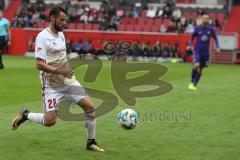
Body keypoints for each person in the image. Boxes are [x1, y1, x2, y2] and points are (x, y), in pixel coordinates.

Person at [11, 6, 104, 152]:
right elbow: (39, 64)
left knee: (90, 107)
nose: (64, 23)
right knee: (50, 121)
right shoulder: (42, 37)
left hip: (68, 80)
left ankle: (91, 142)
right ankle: (26, 115)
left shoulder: (61, 35)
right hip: (51, 84)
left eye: (66, 20)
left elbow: (61, 57)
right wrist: (61, 70)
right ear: (52, 18)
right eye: (62, 20)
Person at [187, 14, 220, 91]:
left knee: (200, 69)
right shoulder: (197, 28)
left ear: (208, 20)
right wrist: (189, 45)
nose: (205, 20)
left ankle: (194, 85)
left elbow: (216, 38)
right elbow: (191, 37)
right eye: (204, 18)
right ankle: (191, 82)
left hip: (206, 53)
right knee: (196, 65)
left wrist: (217, 46)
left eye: (207, 19)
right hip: (197, 51)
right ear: (201, 19)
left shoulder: (211, 29)